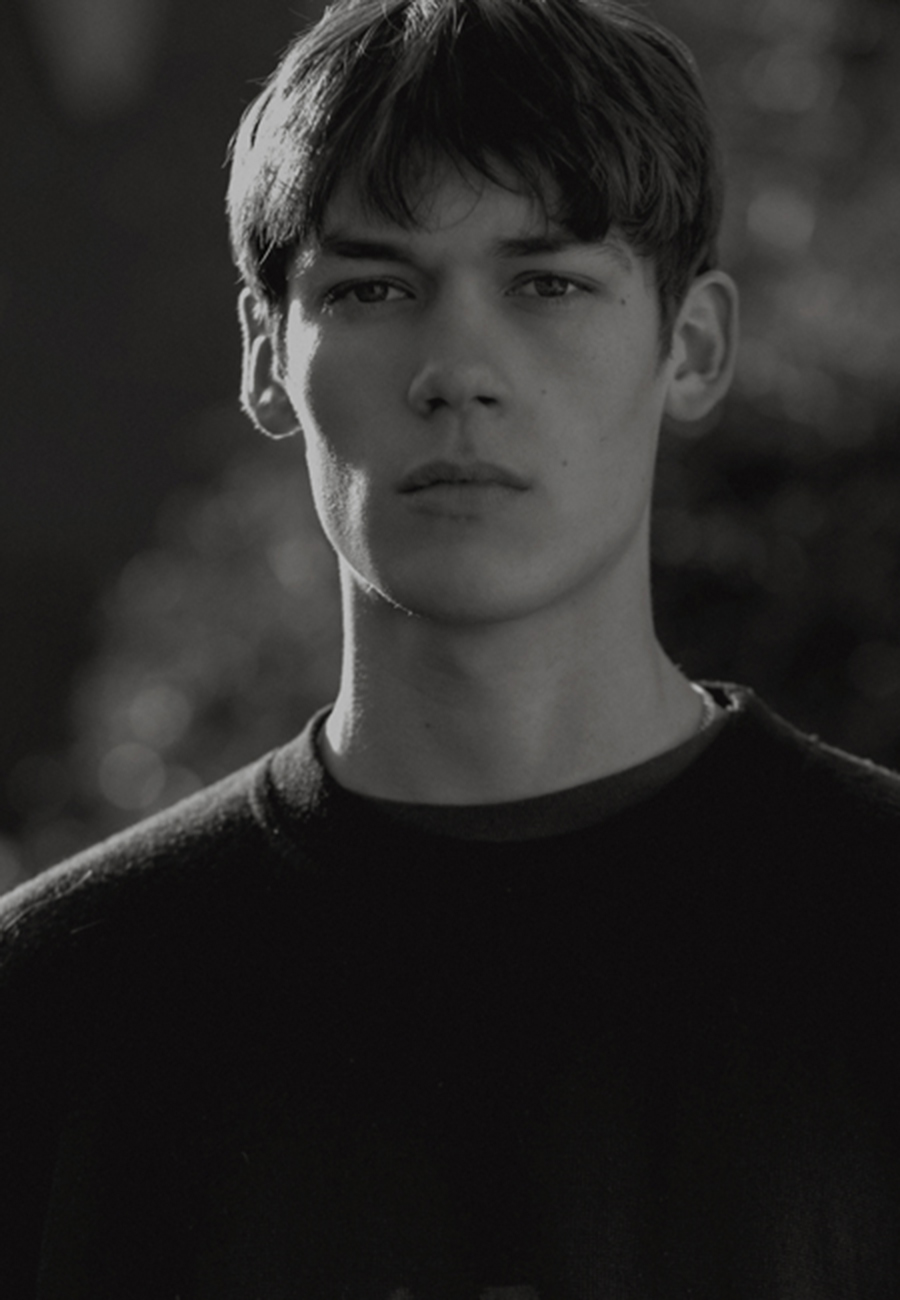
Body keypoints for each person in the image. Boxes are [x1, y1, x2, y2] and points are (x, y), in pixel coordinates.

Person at [2, 0, 899, 1293]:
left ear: (693, 346)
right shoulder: (53, 1015)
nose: (458, 370)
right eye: (373, 288)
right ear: (266, 356)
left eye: (547, 283)